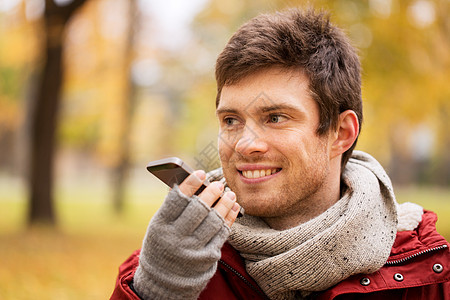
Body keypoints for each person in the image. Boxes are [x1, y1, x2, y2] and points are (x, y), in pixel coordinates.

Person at [111, 8, 449, 300]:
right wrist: (157, 289)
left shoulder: (429, 274)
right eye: (231, 120)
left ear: (341, 133)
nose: (245, 144)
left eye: (275, 118)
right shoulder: (172, 261)